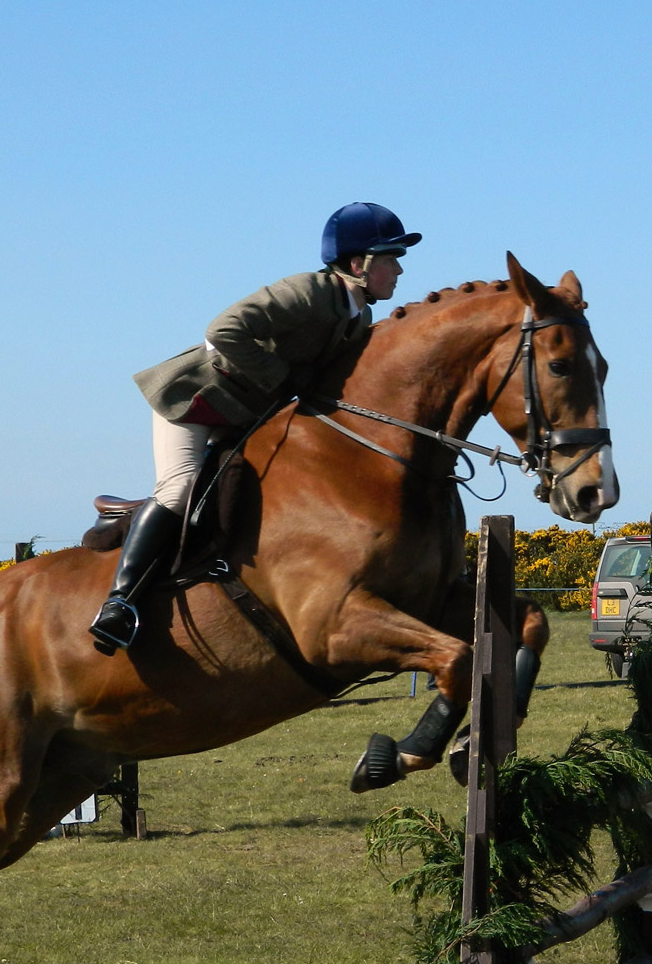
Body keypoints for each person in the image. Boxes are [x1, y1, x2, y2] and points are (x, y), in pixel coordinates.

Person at [89, 202, 421, 652]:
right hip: (196, 400)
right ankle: (120, 604)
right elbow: (223, 330)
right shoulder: (307, 292)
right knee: (181, 488)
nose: (399, 270)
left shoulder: (358, 318)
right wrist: (281, 376)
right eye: (391, 259)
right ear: (359, 264)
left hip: (247, 416)